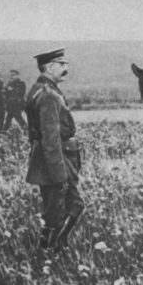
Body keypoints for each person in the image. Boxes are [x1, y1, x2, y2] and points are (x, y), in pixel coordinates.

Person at [25, 48, 85, 251]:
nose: (66, 68)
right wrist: (59, 175)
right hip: (55, 161)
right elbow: (50, 138)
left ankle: (55, 246)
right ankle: (47, 252)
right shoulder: (48, 95)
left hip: (54, 159)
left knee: (73, 206)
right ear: (49, 67)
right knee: (57, 211)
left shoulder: (41, 89)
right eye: (62, 64)